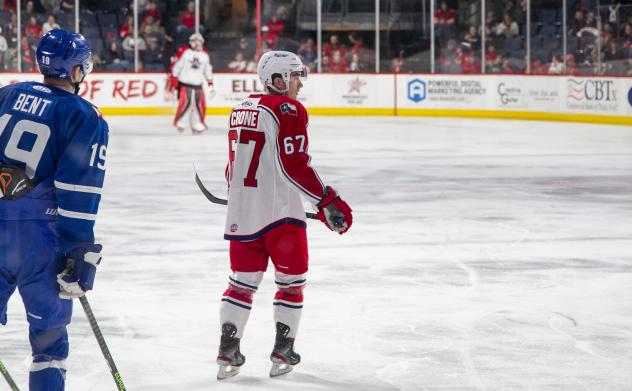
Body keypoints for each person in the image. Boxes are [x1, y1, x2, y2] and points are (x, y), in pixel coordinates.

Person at [216, 51, 353, 380]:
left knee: (241, 284)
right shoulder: (288, 109)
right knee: (291, 284)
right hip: (281, 216)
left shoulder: (240, 108)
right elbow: (294, 166)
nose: (298, 83)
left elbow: (231, 168)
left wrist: (243, 196)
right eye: (294, 76)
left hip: (243, 214)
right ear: (276, 80)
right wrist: (326, 200)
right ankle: (283, 349)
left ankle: (227, 351)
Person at [0, 29, 108, 391]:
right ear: (77, 70)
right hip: (41, 240)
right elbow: (79, 188)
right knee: (48, 341)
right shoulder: (84, 115)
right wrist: (79, 249)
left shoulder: (7, 93)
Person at [171, 32, 213, 133]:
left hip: (198, 85)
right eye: (194, 41)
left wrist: (210, 81)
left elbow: (207, 70)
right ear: (190, 42)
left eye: (198, 41)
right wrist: (174, 79)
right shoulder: (186, 54)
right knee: (186, 104)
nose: (196, 43)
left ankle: (197, 124)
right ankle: (181, 123)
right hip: (185, 84)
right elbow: (177, 67)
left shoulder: (204, 56)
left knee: (198, 105)